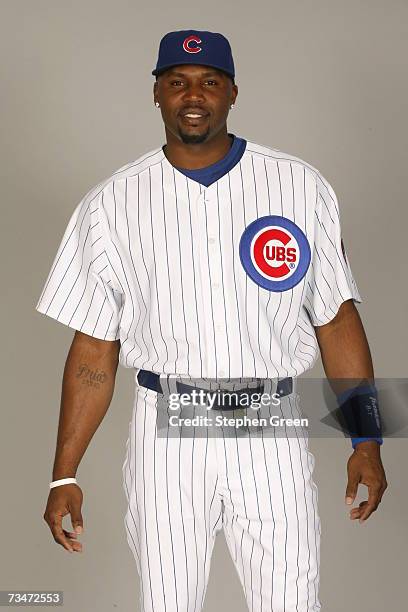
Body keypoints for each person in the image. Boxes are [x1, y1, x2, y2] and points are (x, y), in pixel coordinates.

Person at [36, 29, 387, 612]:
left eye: (209, 82)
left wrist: (368, 439)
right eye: (177, 82)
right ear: (156, 94)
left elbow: (337, 320)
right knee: (167, 602)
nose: (192, 95)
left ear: (232, 92)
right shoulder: (112, 203)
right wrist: (63, 474)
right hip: (166, 427)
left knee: (292, 603)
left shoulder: (300, 185)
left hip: (270, 422)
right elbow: (94, 350)